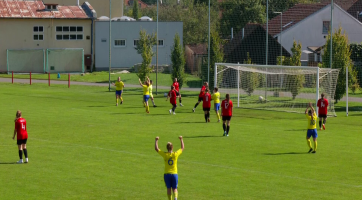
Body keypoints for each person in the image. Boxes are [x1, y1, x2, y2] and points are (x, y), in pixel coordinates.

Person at [155, 136, 184, 200]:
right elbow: (182, 148)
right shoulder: (175, 154)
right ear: (172, 147)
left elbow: (157, 149)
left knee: (169, 188)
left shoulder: (165, 155)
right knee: (175, 188)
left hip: (167, 174)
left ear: (167, 148)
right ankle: (175, 198)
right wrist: (181, 139)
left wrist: (156, 140)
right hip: (174, 174)